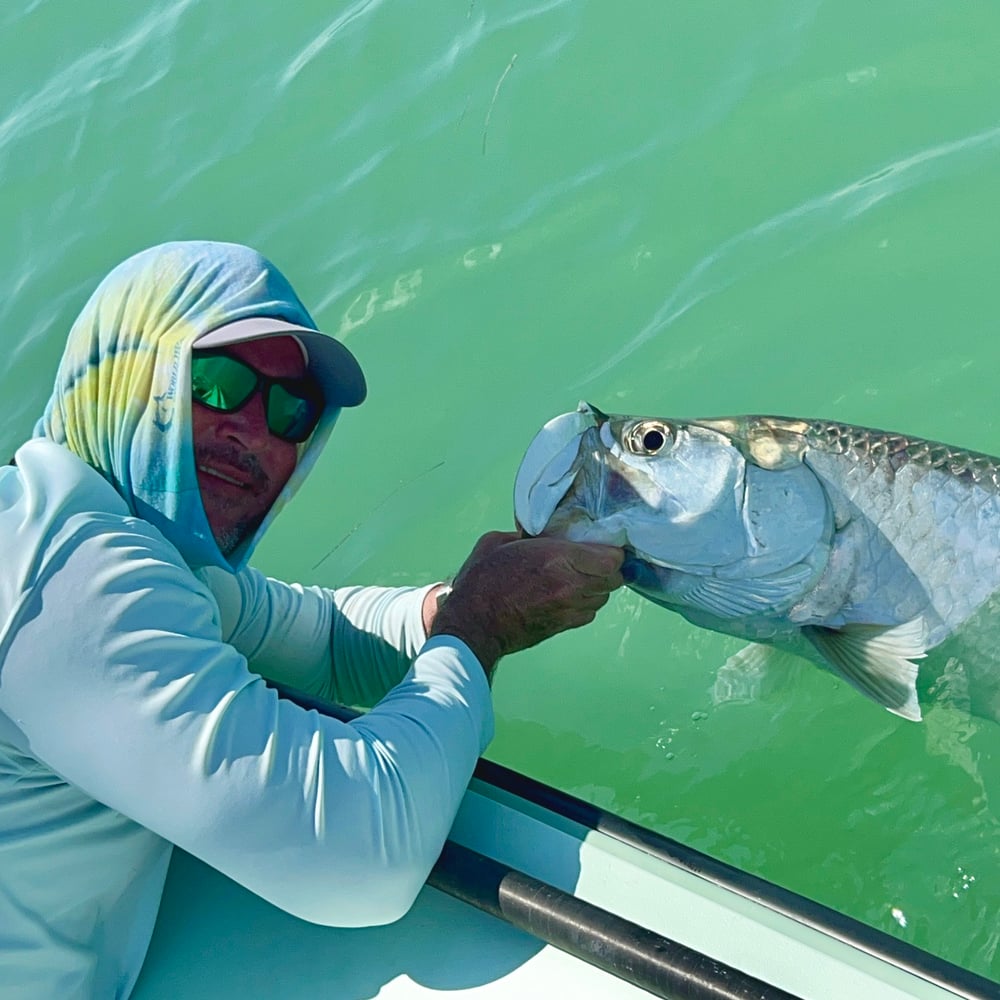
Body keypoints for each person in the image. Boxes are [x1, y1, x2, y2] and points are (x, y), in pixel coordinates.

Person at [0, 241, 624, 998]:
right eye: (221, 383)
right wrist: (481, 626)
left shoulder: (100, 533)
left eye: (293, 412)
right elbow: (363, 859)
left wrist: (461, 600)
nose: (258, 436)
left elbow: (323, 635)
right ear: (128, 370)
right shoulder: (72, 576)